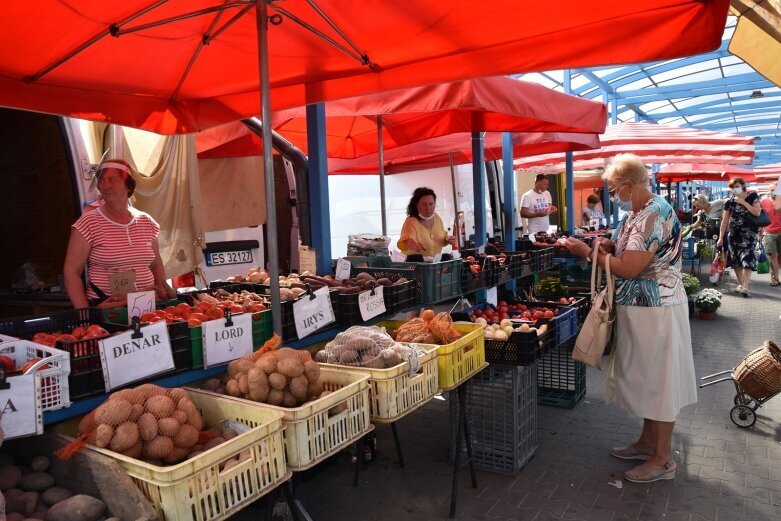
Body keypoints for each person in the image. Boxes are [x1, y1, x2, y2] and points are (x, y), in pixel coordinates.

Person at [564, 153, 697, 484]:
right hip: (642, 310)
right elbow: (622, 249)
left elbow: (630, 267)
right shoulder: (637, 214)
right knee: (647, 379)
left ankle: (663, 460)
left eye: (613, 188)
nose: (613, 194)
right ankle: (647, 442)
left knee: (660, 383)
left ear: (628, 185)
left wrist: (589, 253)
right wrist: (606, 244)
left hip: (658, 311)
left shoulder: (654, 214)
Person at [63, 159, 176, 309]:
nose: (105, 185)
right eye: (101, 181)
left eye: (112, 180)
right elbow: (71, 271)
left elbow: (156, 264)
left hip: (147, 304)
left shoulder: (146, 221)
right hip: (109, 309)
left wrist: (162, 291)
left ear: (128, 185)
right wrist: (85, 315)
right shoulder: (88, 222)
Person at [717, 177, 762, 297]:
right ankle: (741, 284)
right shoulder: (730, 201)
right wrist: (721, 237)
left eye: (737, 186)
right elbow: (724, 220)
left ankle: (746, 286)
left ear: (743, 185)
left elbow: (757, 212)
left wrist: (744, 203)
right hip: (733, 234)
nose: (735, 189)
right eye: (732, 187)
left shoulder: (752, 197)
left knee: (747, 257)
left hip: (748, 234)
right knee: (736, 260)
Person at [397, 187, 456, 257]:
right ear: (417, 205)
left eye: (431, 204)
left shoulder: (436, 217)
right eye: (423, 204)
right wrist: (415, 245)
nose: (428, 208)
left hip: (432, 264)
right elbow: (408, 240)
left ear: (435, 204)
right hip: (413, 265)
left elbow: (441, 240)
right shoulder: (411, 221)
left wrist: (448, 240)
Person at [759, 182, 781, 286]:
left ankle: (776, 274)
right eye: (771, 190)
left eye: (774, 190)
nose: (772, 192)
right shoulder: (764, 202)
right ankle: (775, 278)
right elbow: (760, 218)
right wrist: (759, 233)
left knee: (779, 257)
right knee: (773, 256)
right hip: (769, 232)